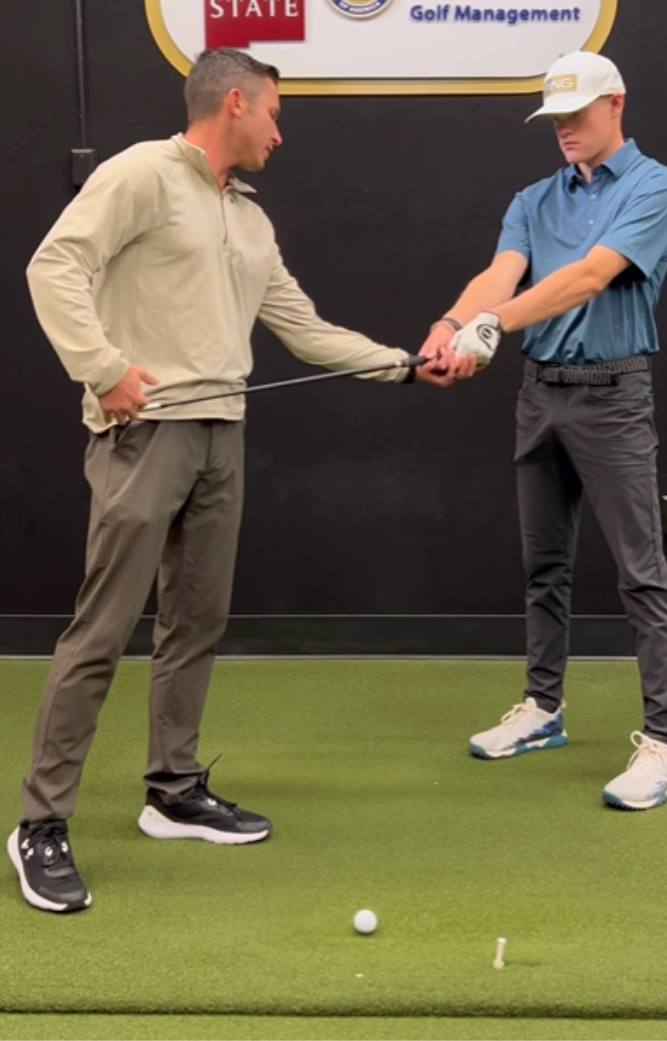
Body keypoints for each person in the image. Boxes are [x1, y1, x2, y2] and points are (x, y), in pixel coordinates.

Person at [10, 47, 450, 914]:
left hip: (223, 436)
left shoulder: (249, 220)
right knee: (102, 631)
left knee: (196, 621)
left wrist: (402, 364)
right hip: (144, 435)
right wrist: (103, 368)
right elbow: (52, 267)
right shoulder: (142, 172)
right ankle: (41, 822)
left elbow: (303, 327)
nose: (280, 134)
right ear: (236, 103)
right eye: (274, 114)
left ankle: (172, 789)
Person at [420, 50, 667, 811]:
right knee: (543, 565)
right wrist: (451, 323)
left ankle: (666, 745)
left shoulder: (654, 186)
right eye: (555, 118)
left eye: (577, 113)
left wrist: (490, 326)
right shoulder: (533, 198)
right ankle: (543, 708)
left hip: (613, 395)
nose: (564, 128)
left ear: (616, 104)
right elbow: (499, 274)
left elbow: (587, 277)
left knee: (640, 571)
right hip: (540, 395)